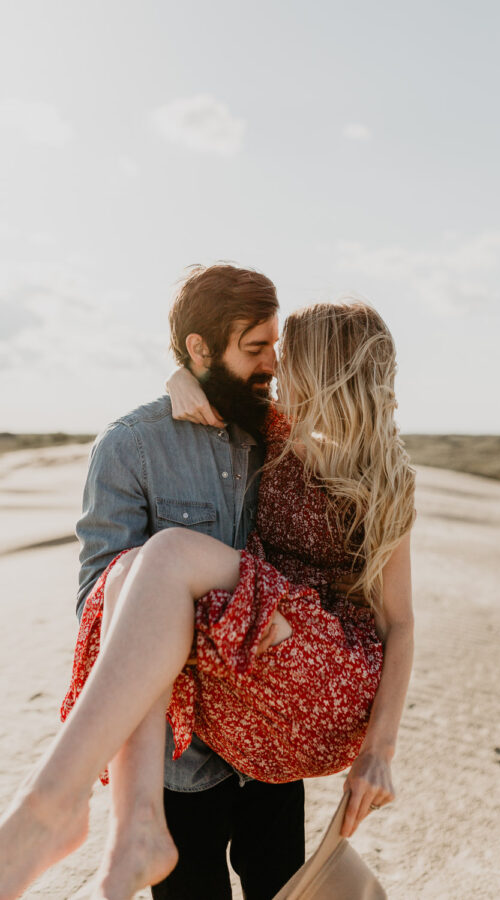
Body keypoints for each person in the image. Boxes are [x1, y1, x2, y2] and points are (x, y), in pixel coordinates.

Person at [0, 297, 416, 900]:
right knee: (126, 575)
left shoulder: (385, 475)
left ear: (322, 368)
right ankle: (137, 822)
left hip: (329, 669)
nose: (273, 365)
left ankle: (50, 805)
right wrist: (181, 375)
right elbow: (211, 381)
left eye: (287, 354)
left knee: (168, 553)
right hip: (272, 638)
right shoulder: (276, 430)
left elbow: (400, 623)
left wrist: (380, 750)